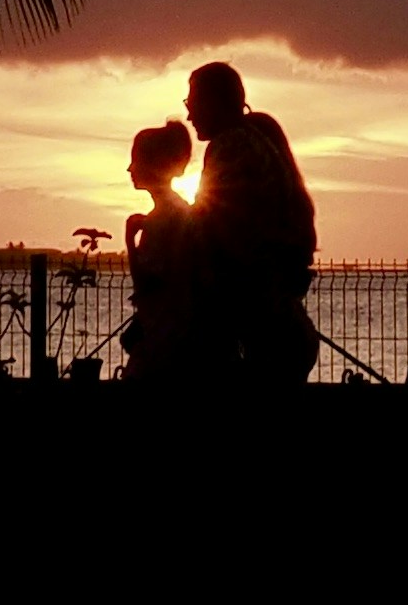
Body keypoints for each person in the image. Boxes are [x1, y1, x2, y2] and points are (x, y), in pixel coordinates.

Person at [184, 62, 323, 385]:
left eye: (192, 103)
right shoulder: (254, 140)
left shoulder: (230, 145)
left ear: (215, 102)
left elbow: (212, 228)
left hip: (267, 337)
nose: (190, 115)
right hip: (284, 331)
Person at [114, 122, 208, 381]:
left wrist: (130, 243)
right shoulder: (179, 210)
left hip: (166, 339)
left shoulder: (162, 219)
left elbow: (146, 283)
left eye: (136, 160)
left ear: (154, 164)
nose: (130, 168)